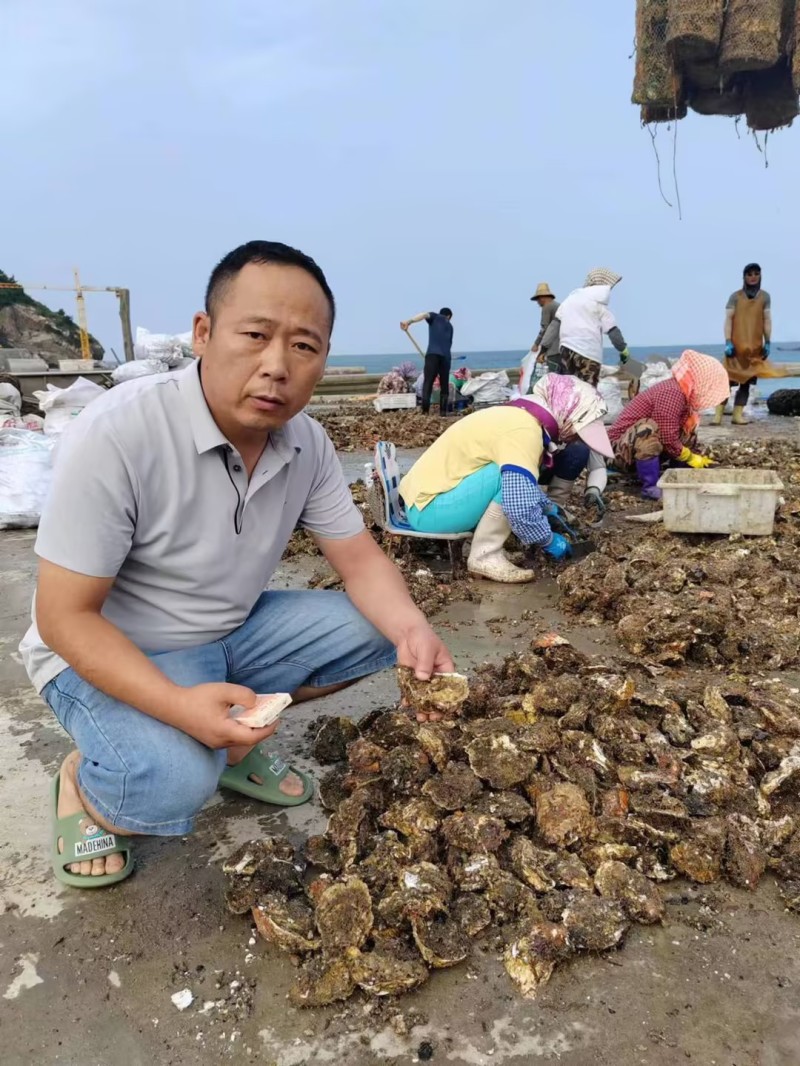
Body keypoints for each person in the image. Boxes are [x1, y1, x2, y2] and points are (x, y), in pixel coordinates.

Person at [20, 240, 453, 889]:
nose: (277, 365)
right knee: (171, 785)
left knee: (380, 628)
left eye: (303, 346)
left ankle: (223, 735)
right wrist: (178, 706)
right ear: (203, 333)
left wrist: (413, 629)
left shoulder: (307, 443)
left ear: (323, 359)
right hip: (106, 652)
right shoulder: (121, 433)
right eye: (255, 335)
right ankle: (85, 783)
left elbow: (359, 560)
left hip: (226, 636)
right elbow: (62, 617)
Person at [398, 374, 614, 583]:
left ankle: (489, 549)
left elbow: (523, 488)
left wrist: (547, 506)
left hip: (422, 503)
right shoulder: (524, 430)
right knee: (509, 481)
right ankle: (485, 556)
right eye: (576, 431)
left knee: (516, 480)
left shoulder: (517, 416)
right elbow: (518, 505)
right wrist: (548, 540)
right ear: (567, 415)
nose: (573, 437)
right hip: (430, 512)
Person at [608, 349, 729, 500]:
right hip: (615, 453)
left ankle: (678, 475)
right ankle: (650, 487)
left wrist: (697, 458)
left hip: (634, 451)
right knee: (647, 428)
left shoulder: (683, 395)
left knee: (687, 431)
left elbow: (675, 435)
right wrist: (689, 456)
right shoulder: (671, 392)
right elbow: (667, 436)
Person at [542, 268, 632, 388]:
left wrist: (543, 349)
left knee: (569, 388)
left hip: (566, 351)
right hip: (589, 354)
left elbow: (554, 326)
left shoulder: (569, 300)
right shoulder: (599, 305)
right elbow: (613, 331)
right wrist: (623, 349)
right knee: (588, 390)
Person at [715, 263, 772, 426]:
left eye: (756, 273)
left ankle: (737, 415)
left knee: (745, 385)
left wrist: (767, 341)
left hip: (754, 348)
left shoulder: (765, 297)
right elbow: (728, 320)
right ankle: (717, 415)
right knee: (726, 382)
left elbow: (767, 320)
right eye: (749, 274)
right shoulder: (735, 296)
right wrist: (727, 341)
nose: (753, 277)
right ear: (744, 277)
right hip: (735, 347)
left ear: (760, 276)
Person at [400, 308, 454, 415]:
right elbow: (449, 344)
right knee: (444, 386)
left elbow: (424, 315)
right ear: (449, 316)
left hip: (432, 354)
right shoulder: (451, 327)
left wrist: (408, 322)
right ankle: (443, 413)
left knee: (428, 383)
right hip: (446, 357)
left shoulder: (435, 317)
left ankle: (425, 412)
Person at [530, 282, 561, 373]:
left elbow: (544, 328)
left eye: (538, 299)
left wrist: (536, 344)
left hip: (554, 348)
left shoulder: (547, 307)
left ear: (542, 298)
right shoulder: (558, 306)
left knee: (552, 376)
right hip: (564, 347)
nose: (537, 302)